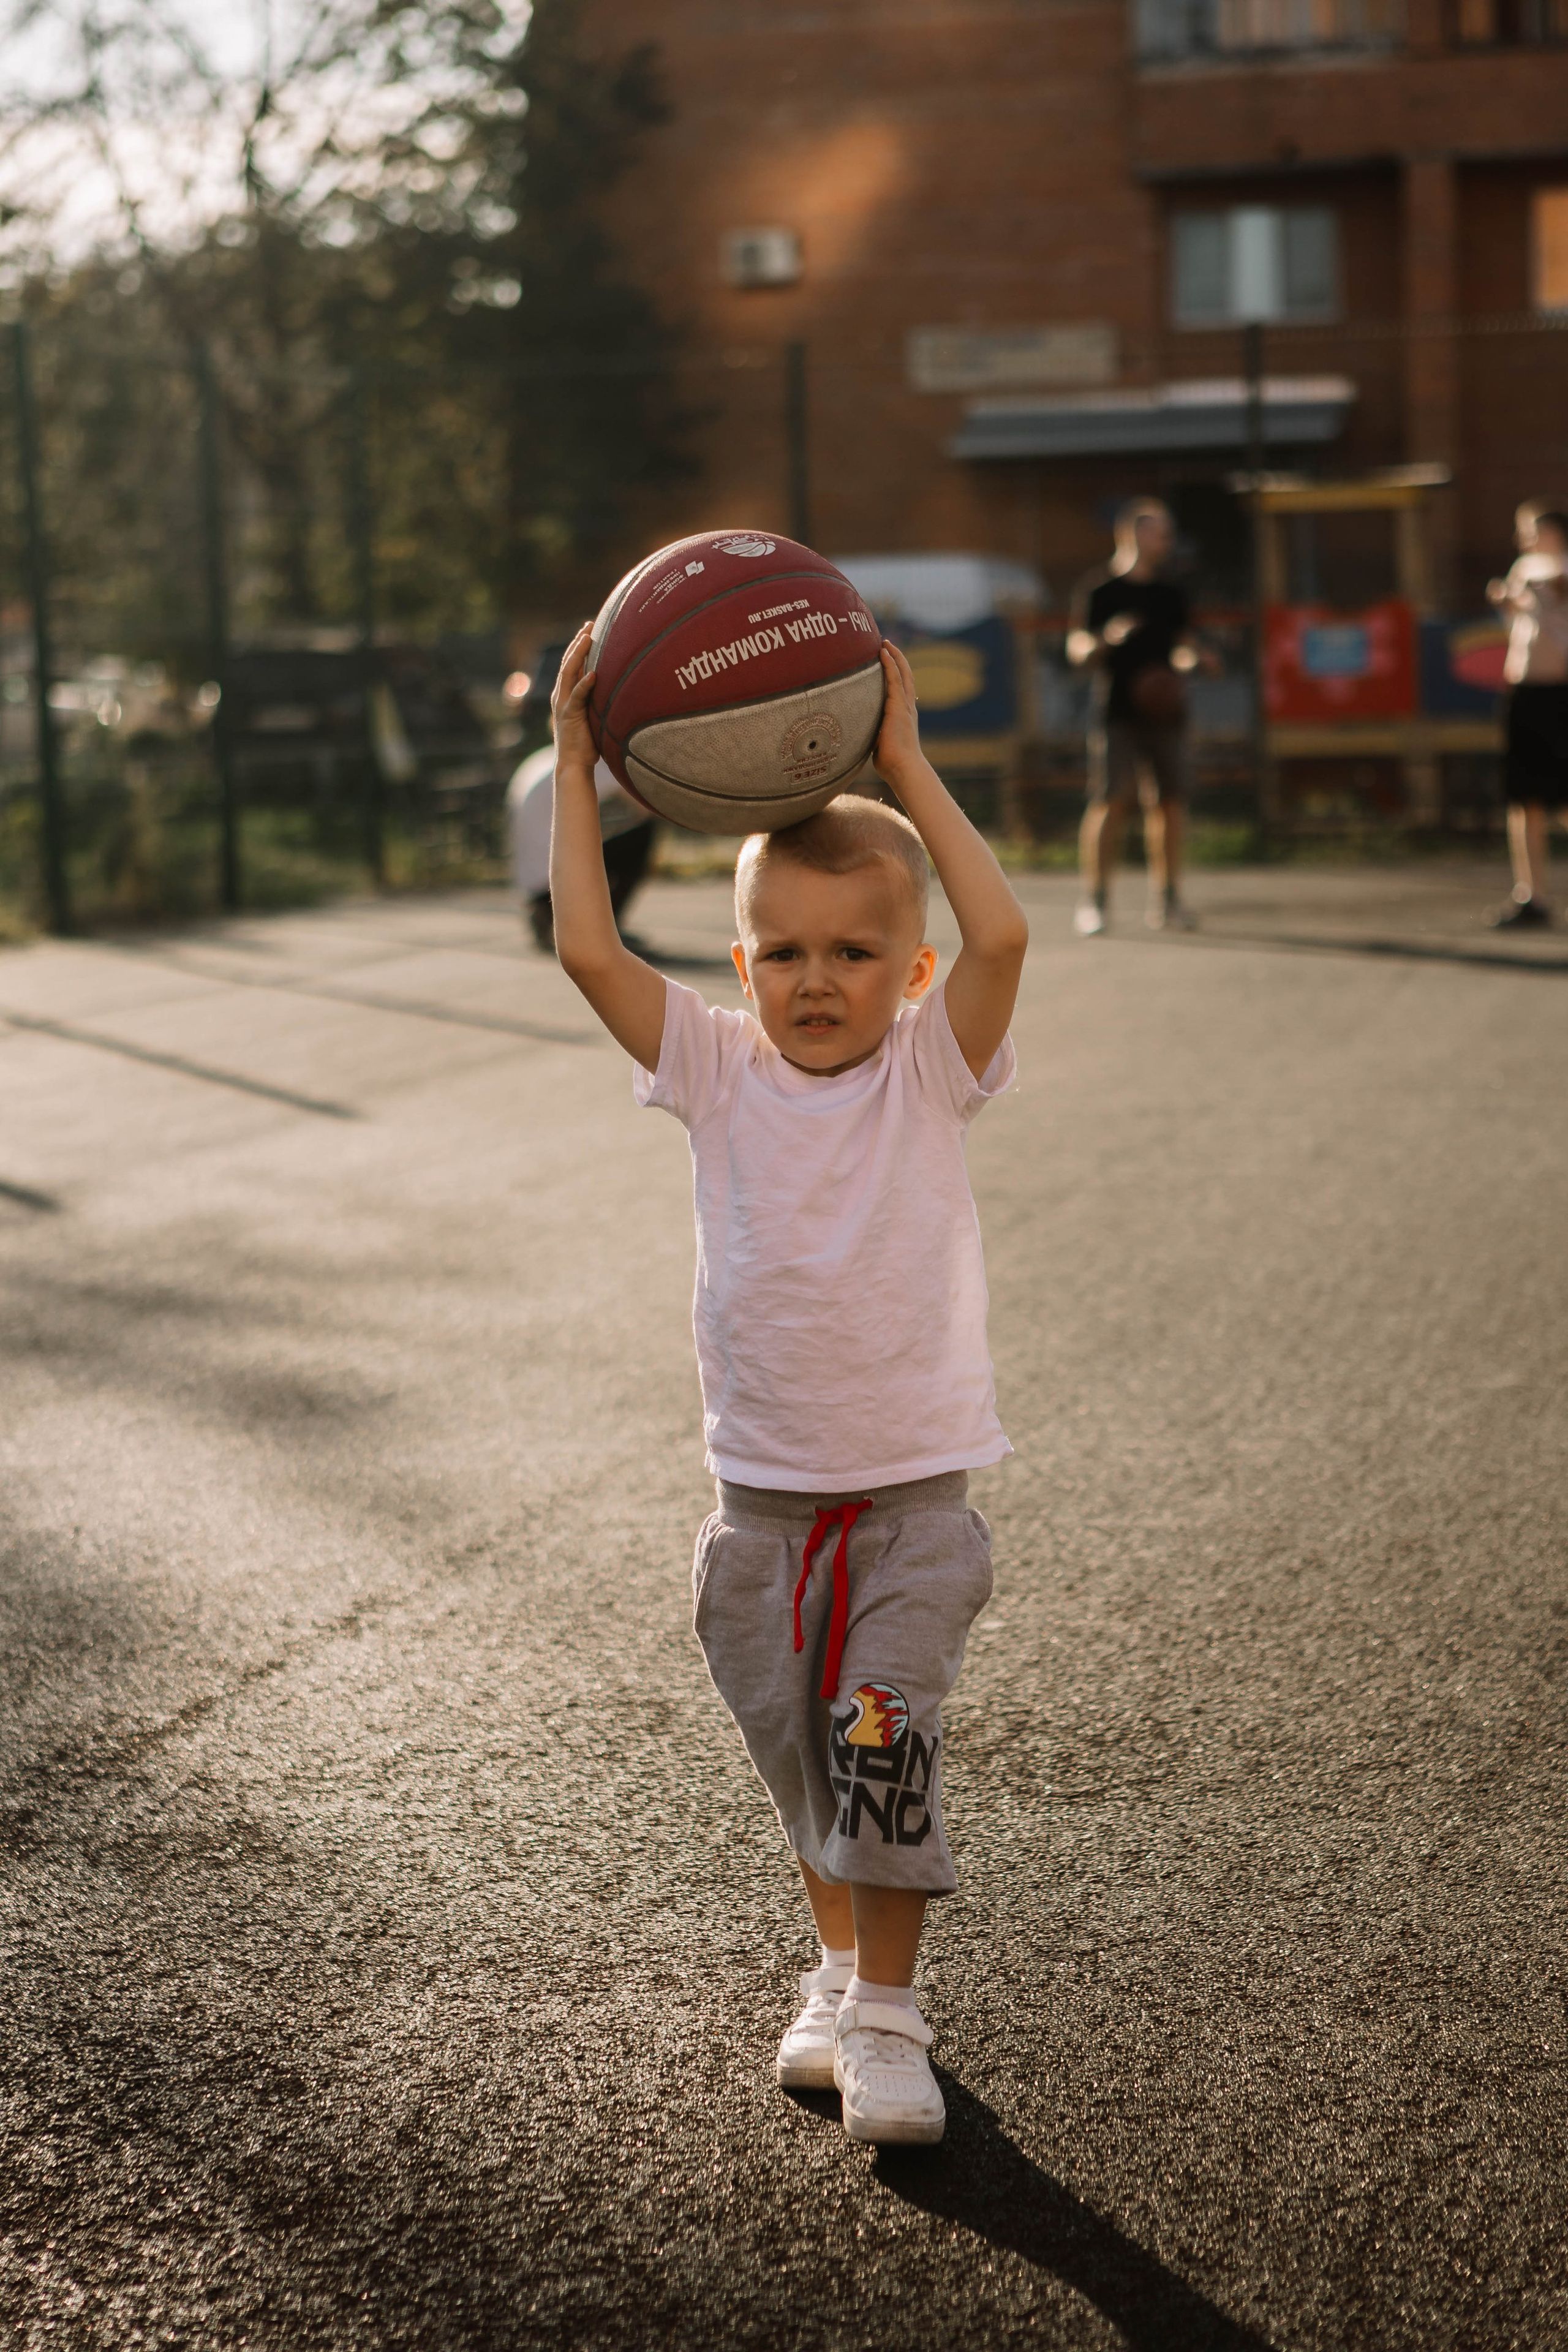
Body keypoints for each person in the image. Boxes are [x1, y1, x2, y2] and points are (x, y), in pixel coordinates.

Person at [547, 625, 1027, 2146]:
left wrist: (899, 761)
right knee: (804, 1766)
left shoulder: (927, 1067)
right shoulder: (711, 1062)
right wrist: (573, 761)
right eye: (784, 951)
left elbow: (1006, 936)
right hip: (757, 1511)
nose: (818, 979)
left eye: (855, 951)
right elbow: (584, 948)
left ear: (911, 968)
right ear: (739, 958)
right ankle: (834, 1968)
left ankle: (890, 2016)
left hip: (903, 1506)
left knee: (877, 1744)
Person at [1066, 497, 1219, 937]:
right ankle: (1094, 901)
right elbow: (1075, 648)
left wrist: (1193, 661)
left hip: (1167, 711)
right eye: (1161, 533)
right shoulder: (1101, 591)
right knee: (1110, 801)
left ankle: (1168, 900)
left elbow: (1183, 644)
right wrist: (1105, 639)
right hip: (1117, 711)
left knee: (1170, 804)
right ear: (1132, 534)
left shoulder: (1172, 592)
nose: (1167, 542)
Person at [507, 641, 657, 952]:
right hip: (556, 889)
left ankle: (549, 922)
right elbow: (646, 806)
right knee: (642, 834)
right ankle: (604, 929)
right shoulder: (588, 764)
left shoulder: (536, 762)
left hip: (533, 890)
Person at [1485, 503, 1568, 930]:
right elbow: (1522, 631)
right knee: (1524, 798)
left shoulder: (1558, 570)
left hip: (1562, 694)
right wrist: (1508, 602)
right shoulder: (1524, 568)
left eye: (1531, 530)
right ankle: (1531, 894)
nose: (1524, 538)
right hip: (1526, 692)